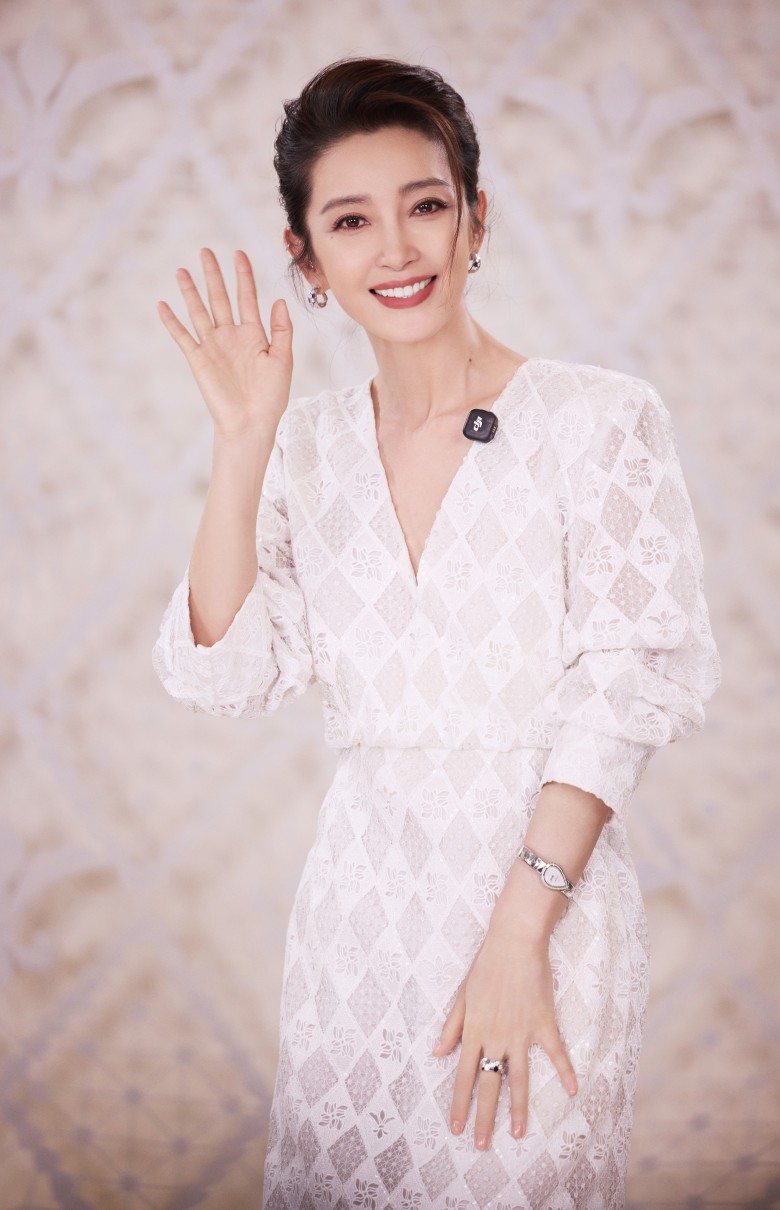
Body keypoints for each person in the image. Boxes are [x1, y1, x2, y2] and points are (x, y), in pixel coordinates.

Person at [152, 56, 722, 1210]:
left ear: (475, 217)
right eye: (350, 220)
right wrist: (243, 441)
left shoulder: (599, 420)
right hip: (356, 927)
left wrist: (517, 936)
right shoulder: (305, 448)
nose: (397, 249)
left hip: (539, 914)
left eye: (424, 204)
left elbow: (625, 687)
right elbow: (223, 672)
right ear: (306, 257)